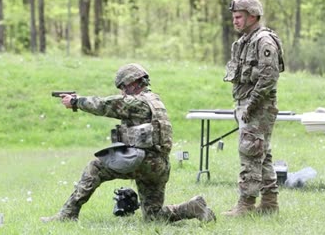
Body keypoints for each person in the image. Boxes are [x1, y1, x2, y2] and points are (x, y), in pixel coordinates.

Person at [40, 63, 216, 222]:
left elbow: (104, 105)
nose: (122, 92)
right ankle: (193, 207)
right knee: (154, 217)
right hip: (159, 166)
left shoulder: (137, 103)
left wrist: (76, 102)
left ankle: (68, 214)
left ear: (133, 84)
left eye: (123, 88)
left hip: (144, 162)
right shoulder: (155, 100)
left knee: (96, 167)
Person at [222, 0, 285, 217]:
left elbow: (269, 76)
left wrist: (251, 105)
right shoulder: (244, 42)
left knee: (249, 152)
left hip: (258, 105)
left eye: (239, 17)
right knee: (262, 153)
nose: (235, 21)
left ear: (252, 16)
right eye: (234, 17)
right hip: (247, 103)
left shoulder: (263, 41)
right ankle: (269, 202)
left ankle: (246, 204)